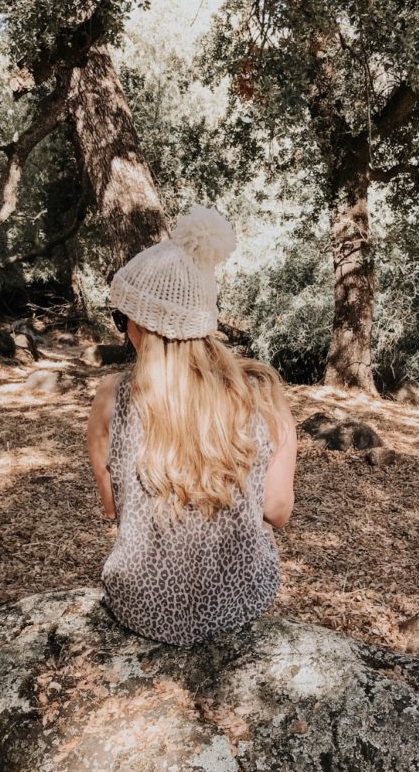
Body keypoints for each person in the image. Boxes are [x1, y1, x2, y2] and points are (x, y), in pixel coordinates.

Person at [86, 206, 297, 647]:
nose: (123, 330)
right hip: (238, 601)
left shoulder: (111, 396)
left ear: (141, 325)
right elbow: (277, 511)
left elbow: (112, 508)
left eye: (122, 318)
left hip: (138, 603)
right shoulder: (261, 393)